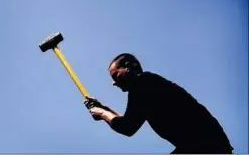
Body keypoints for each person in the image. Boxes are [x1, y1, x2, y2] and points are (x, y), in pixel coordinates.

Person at [85, 53, 234, 154]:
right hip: (205, 144)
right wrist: (104, 108)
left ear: (129, 66)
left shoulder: (142, 83)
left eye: (116, 75)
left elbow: (127, 127)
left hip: (205, 145)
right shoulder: (148, 85)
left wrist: (102, 113)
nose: (113, 83)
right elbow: (129, 121)